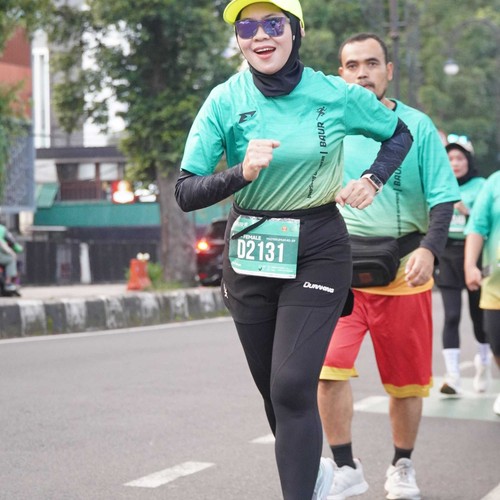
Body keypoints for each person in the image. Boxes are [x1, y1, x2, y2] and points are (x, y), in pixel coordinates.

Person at [175, 4, 414, 498]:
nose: (260, 36)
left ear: (295, 31)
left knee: (290, 385)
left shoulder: (334, 93)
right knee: (275, 393)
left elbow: (398, 134)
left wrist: (373, 179)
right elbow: (186, 191)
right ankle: (313, 476)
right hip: (251, 246)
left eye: (273, 24)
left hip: (318, 244)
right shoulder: (224, 100)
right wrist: (240, 172)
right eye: (246, 27)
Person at [317, 33, 460, 500]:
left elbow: (443, 197)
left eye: (372, 63)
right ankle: (345, 466)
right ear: (341, 74)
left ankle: (401, 464)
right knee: (327, 370)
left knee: (406, 385)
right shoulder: (328, 126)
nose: (362, 73)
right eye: (352, 65)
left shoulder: (417, 126)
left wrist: (430, 250)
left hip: (403, 272)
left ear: (389, 70)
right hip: (339, 272)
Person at [435, 137, 489, 396]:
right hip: (446, 255)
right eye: (450, 159)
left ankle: (484, 364)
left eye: (459, 158)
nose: (455, 163)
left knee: (480, 318)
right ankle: (453, 376)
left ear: (469, 161)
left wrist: (466, 211)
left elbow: (485, 222)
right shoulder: (439, 184)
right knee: (452, 315)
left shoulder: (482, 186)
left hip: (475, 256)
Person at [464, 170, 500, 416]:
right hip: (495, 283)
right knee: (496, 342)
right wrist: (470, 265)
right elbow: (477, 225)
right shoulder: (494, 182)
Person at [0, 224, 22, 293]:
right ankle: (8, 283)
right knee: (11, 259)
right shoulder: (2, 229)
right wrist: (14, 251)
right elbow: (12, 243)